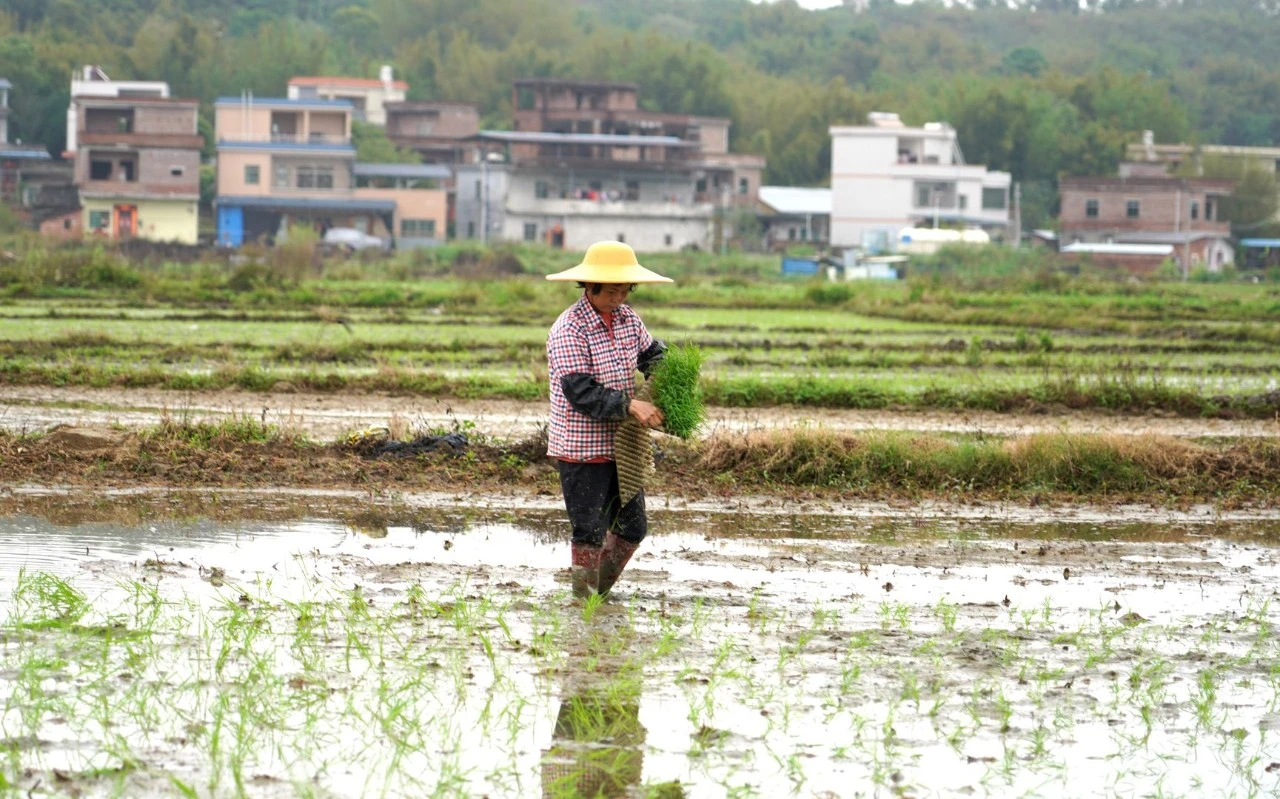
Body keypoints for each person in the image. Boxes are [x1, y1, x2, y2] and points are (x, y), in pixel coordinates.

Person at [545, 241, 671, 598]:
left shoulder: (628, 319)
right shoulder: (570, 328)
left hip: (622, 448)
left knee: (633, 527)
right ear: (590, 285)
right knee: (589, 531)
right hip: (582, 449)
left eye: (625, 290)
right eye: (612, 291)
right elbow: (580, 391)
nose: (619, 298)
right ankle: (583, 601)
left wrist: (670, 378)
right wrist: (632, 405)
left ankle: (596, 594)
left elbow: (651, 356)